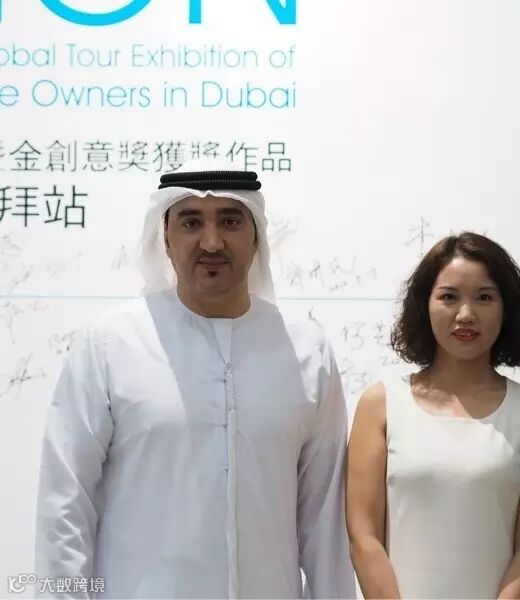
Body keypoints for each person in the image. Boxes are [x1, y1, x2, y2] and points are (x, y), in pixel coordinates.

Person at [35, 164, 355, 599]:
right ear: (165, 238)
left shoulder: (306, 351)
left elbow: (325, 519)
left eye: (230, 221)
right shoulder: (111, 344)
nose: (211, 242)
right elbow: (66, 501)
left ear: (256, 237)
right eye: (191, 223)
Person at [346, 232, 520, 599]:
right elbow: (363, 537)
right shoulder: (381, 404)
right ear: (424, 304)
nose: (466, 315)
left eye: (484, 297)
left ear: (506, 308)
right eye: (449, 297)